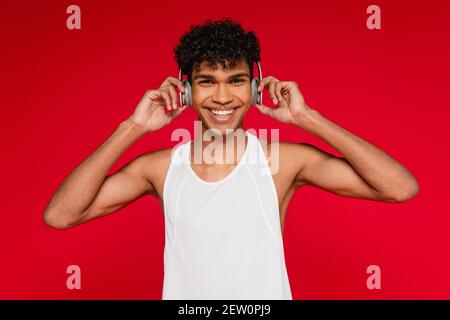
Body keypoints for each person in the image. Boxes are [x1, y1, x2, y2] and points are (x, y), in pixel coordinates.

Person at [43, 18, 419, 300]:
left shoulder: (282, 161)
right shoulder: (158, 168)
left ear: (255, 87)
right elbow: (60, 215)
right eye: (207, 81)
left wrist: (307, 118)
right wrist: (133, 127)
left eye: (236, 81)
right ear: (186, 90)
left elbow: (400, 188)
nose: (222, 97)